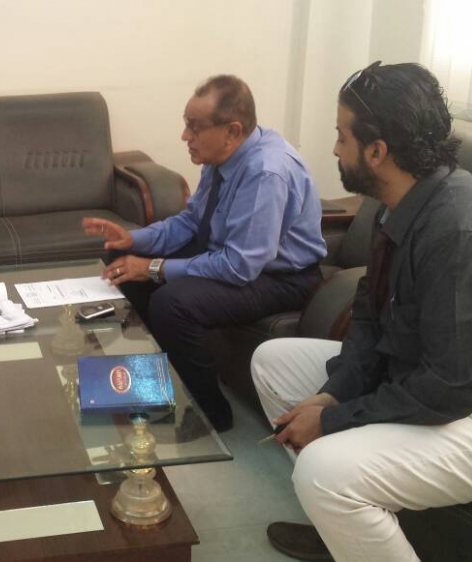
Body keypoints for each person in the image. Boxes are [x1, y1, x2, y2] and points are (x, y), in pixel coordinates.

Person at [254, 62, 472, 561]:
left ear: (377, 151)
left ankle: (340, 500)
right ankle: (346, 530)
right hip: (452, 382)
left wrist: (334, 420)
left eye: (341, 136)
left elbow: (453, 386)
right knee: (273, 361)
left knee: (324, 471)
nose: (334, 148)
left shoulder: (465, 231)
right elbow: (369, 317)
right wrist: (333, 394)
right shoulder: (398, 203)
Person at [83, 75, 326, 431]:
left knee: (171, 303)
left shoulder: (265, 172)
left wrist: (153, 267)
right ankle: (151, 385)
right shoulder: (221, 157)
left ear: (232, 131)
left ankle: (208, 413)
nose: (185, 136)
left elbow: (240, 266)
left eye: (195, 127)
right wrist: (133, 241)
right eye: (186, 124)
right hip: (237, 258)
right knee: (120, 263)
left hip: (282, 278)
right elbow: (192, 222)